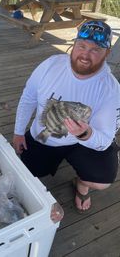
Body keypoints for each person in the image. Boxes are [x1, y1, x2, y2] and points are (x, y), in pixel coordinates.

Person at [13, 20, 120, 214]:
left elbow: (104, 140)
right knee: (28, 174)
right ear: (74, 44)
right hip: (44, 136)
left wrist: (85, 134)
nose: (85, 55)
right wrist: (18, 132)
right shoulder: (51, 64)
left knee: (103, 180)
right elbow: (29, 96)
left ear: (107, 53)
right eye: (82, 46)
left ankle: (82, 184)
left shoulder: (111, 89)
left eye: (95, 49)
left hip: (81, 143)